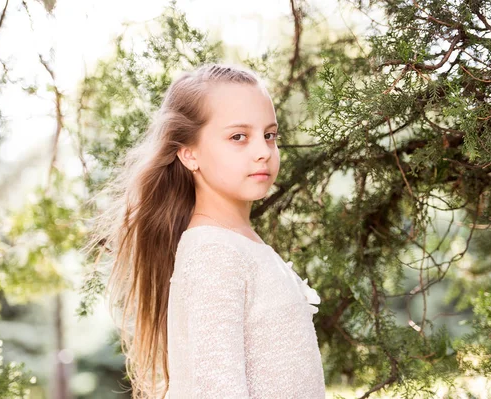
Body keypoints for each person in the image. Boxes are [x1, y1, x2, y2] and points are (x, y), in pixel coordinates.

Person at [86, 63, 325, 399]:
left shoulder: (236, 245)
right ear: (189, 153)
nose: (263, 152)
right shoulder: (214, 253)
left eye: (269, 135)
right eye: (238, 137)